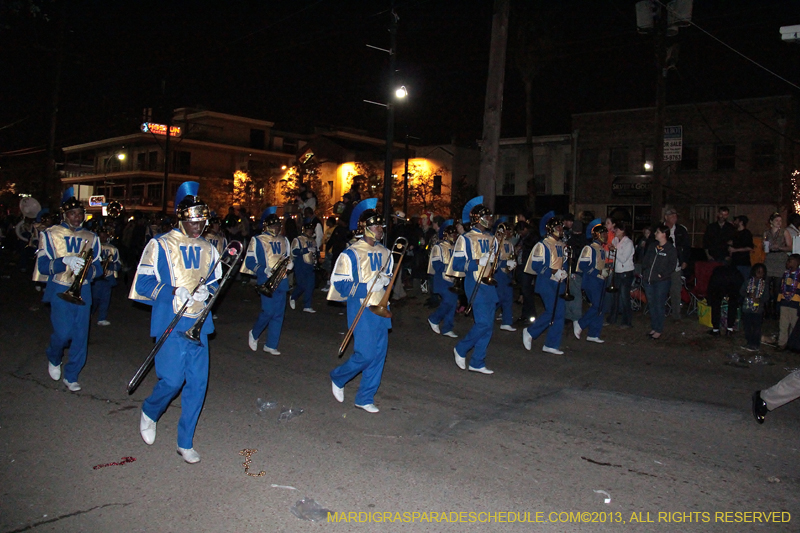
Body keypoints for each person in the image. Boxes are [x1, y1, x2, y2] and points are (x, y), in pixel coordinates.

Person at [129, 181, 221, 464]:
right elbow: (142, 283)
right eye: (193, 221)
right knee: (171, 381)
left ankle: (185, 441)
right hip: (171, 320)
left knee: (198, 384)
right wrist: (171, 291)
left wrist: (209, 292)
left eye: (202, 221)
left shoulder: (209, 247)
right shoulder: (159, 244)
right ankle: (150, 409)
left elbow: (216, 282)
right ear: (181, 218)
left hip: (199, 323)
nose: (198, 226)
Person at [33, 188, 102, 392]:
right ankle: (54, 356)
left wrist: (87, 272)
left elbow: (98, 268)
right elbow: (42, 266)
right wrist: (64, 261)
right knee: (63, 334)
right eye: (72, 213)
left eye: (80, 213)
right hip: (59, 287)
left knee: (81, 336)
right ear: (65, 215)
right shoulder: (50, 234)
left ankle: (72, 375)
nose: (77, 217)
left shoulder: (92, 237)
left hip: (84, 290)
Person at [328, 198, 393, 413]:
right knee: (365, 354)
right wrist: (366, 287)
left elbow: (389, 277)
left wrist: (386, 281)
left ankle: (365, 397)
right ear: (365, 228)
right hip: (361, 307)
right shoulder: (351, 253)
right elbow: (339, 283)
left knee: (379, 354)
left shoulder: (385, 252)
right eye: (376, 226)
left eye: (381, 226)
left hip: (381, 306)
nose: (380, 229)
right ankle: (338, 377)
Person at [449, 196, 499, 374]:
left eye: (490, 216)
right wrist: (477, 262)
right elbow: (457, 265)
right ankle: (461, 348)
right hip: (474, 282)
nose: (490, 219)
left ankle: (477, 362)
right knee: (483, 323)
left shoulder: (492, 238)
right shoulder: (465, 239)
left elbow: (495, 263)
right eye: (487, 217)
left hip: (489, 285)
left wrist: (500, 263)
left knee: (488, 326)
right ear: (477, 219)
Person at [242, 207, 293, 355]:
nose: (276, 228)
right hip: (266, 281)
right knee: (268, 311)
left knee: (278, 314)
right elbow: (249, 261)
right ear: (266, 226)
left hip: (282, 281)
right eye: (273, 226)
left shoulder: (284, 240)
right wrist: (263, 270)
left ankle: (271, 345)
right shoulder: (257, 240)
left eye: (278, 225)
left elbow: (287, 257)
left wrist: (290, 265)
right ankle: (254, 333)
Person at [522, 212, 568, 355]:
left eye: (561, 227)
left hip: (559, 282)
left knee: (559, 313)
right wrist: (552, 272)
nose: (561, 230)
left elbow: (564, 263)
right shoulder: (542, 245)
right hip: (546, 282)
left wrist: (565, 272)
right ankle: (530, 331)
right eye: (558, 227)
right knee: (553, 311)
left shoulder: (562, 245)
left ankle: (551, 344)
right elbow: (536, 265)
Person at [573, 219, 608, 343]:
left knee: (600, 307)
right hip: (591, 281)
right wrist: (598, 272)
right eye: (603, 234)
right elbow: (583, 265)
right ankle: (580, 324)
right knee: (597, 305)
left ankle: (594, 333)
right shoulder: (589, 248)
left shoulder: (601, 249)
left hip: (599, 280)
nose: (606, 236)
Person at [641, 224, 677, 340]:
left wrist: (662, 275)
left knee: (659, 304)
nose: (655, 234)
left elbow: (672, 265)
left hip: (661, 282)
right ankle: (654, 327)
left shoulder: (670, 249)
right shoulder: (653, 246)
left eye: (658, 232)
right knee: (651, 304)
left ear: (664, 234)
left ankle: (659, 329)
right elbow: (646, 260)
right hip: (649, 279)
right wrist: (645, 272)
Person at [427, 220, 459, 338]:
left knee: (453, 303)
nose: (454, 237)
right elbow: (436, 265)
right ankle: (434, 318)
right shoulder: (438, 247)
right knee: (448, 301)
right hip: (442, 279)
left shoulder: (455, 247)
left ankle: (447, 328)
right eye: (452, 234)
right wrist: (450, 266)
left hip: (452, 279)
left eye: (455, 234)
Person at [607, 221, 635, 328]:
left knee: (624, 297)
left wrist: (615, 250)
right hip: (617, 271)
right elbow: (613, 256)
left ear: (622, 231)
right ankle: (612, 318)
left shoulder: (628, 243)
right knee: (615, 296)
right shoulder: (615, 240)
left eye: (617, 229)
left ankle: (627, 321)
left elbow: (623, 259)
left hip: (626, 272)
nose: (615, 231)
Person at [91, 227, 121, 326]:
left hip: (108, 277)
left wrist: (110, 265)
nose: (102, 239)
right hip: (96, 278)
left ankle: (102, 318)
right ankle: (90, 314)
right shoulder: (93, 247)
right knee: (94, 298)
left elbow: (118, 264)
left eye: (104, 236)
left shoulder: (113, 248)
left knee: (105, 299)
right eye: (100, 237)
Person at [705, 264, 744, 336]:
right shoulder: (735, 272)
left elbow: (711, 287)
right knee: (733, 304)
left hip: (719, 282)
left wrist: (710, 300)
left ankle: (716, 330)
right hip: (732, 282)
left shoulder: (717, 271)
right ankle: (729, 329)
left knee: (716, 304)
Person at [763, 213, 788, 319]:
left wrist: (780, 247)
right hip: (770, 259)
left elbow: (790, 246)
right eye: (777, 220)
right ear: (771, 222)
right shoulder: (767, 233)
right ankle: (767, 309)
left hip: (780, 259)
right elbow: (764, 247)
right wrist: (766, 247)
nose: (779, 223)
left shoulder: (784, 232)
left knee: (777, 287)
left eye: (780, 221)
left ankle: (776, 310)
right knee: (766, 286)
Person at [493, 221, 517, 332]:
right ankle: (488, 316)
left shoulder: (509, 244)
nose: (509, 233)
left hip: (507, 274)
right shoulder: (494, 242)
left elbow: (511, 256)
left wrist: (512, 264)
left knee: (508, 297)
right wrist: (504, 264)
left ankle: (507, 322)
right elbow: (493, 260)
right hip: (498, 273)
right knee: (498, 298)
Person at [290, 222, 319, 313]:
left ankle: (307, 305)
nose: (310, 232)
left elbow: (316, 251)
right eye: (308, 230)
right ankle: (293, 296)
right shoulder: (298, 239)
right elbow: (294, 252)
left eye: (311, 230)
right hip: (301, 264)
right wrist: (306, 250)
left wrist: (316, 256)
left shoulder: (313, 240)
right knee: (301, 285)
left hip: (310, 265)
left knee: (310, 285)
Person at [740, 263, 769, 352]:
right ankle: (749, 342)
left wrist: (759, 299)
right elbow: (741, 291)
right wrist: (748, 294)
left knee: (756, 328)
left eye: (762, 272)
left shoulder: (764, 285)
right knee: (747, 327)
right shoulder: (748, 282)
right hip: (747, 308)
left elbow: (767, 297)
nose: (760, 274)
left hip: (758, 310)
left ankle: (755, 344)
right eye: (758, 272)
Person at [775, 254, 800, 350]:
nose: (787, 263)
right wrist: (779, 302)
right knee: (783, 324)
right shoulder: (785, 274)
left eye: (790, 261)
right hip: (784, 302)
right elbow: (781, 289)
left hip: (795, 304)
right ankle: (782, 343)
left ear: (797, 263)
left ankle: (793, 344)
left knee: (794, 325)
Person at [728, 215, 754, 281]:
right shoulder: (734, 233)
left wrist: (735, 250)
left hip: (743, 263)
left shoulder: (746, 233)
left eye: (736, 220)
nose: (735, 222)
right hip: (734, 262)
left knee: (744, 281)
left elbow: (750, 247)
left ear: (741, 222)